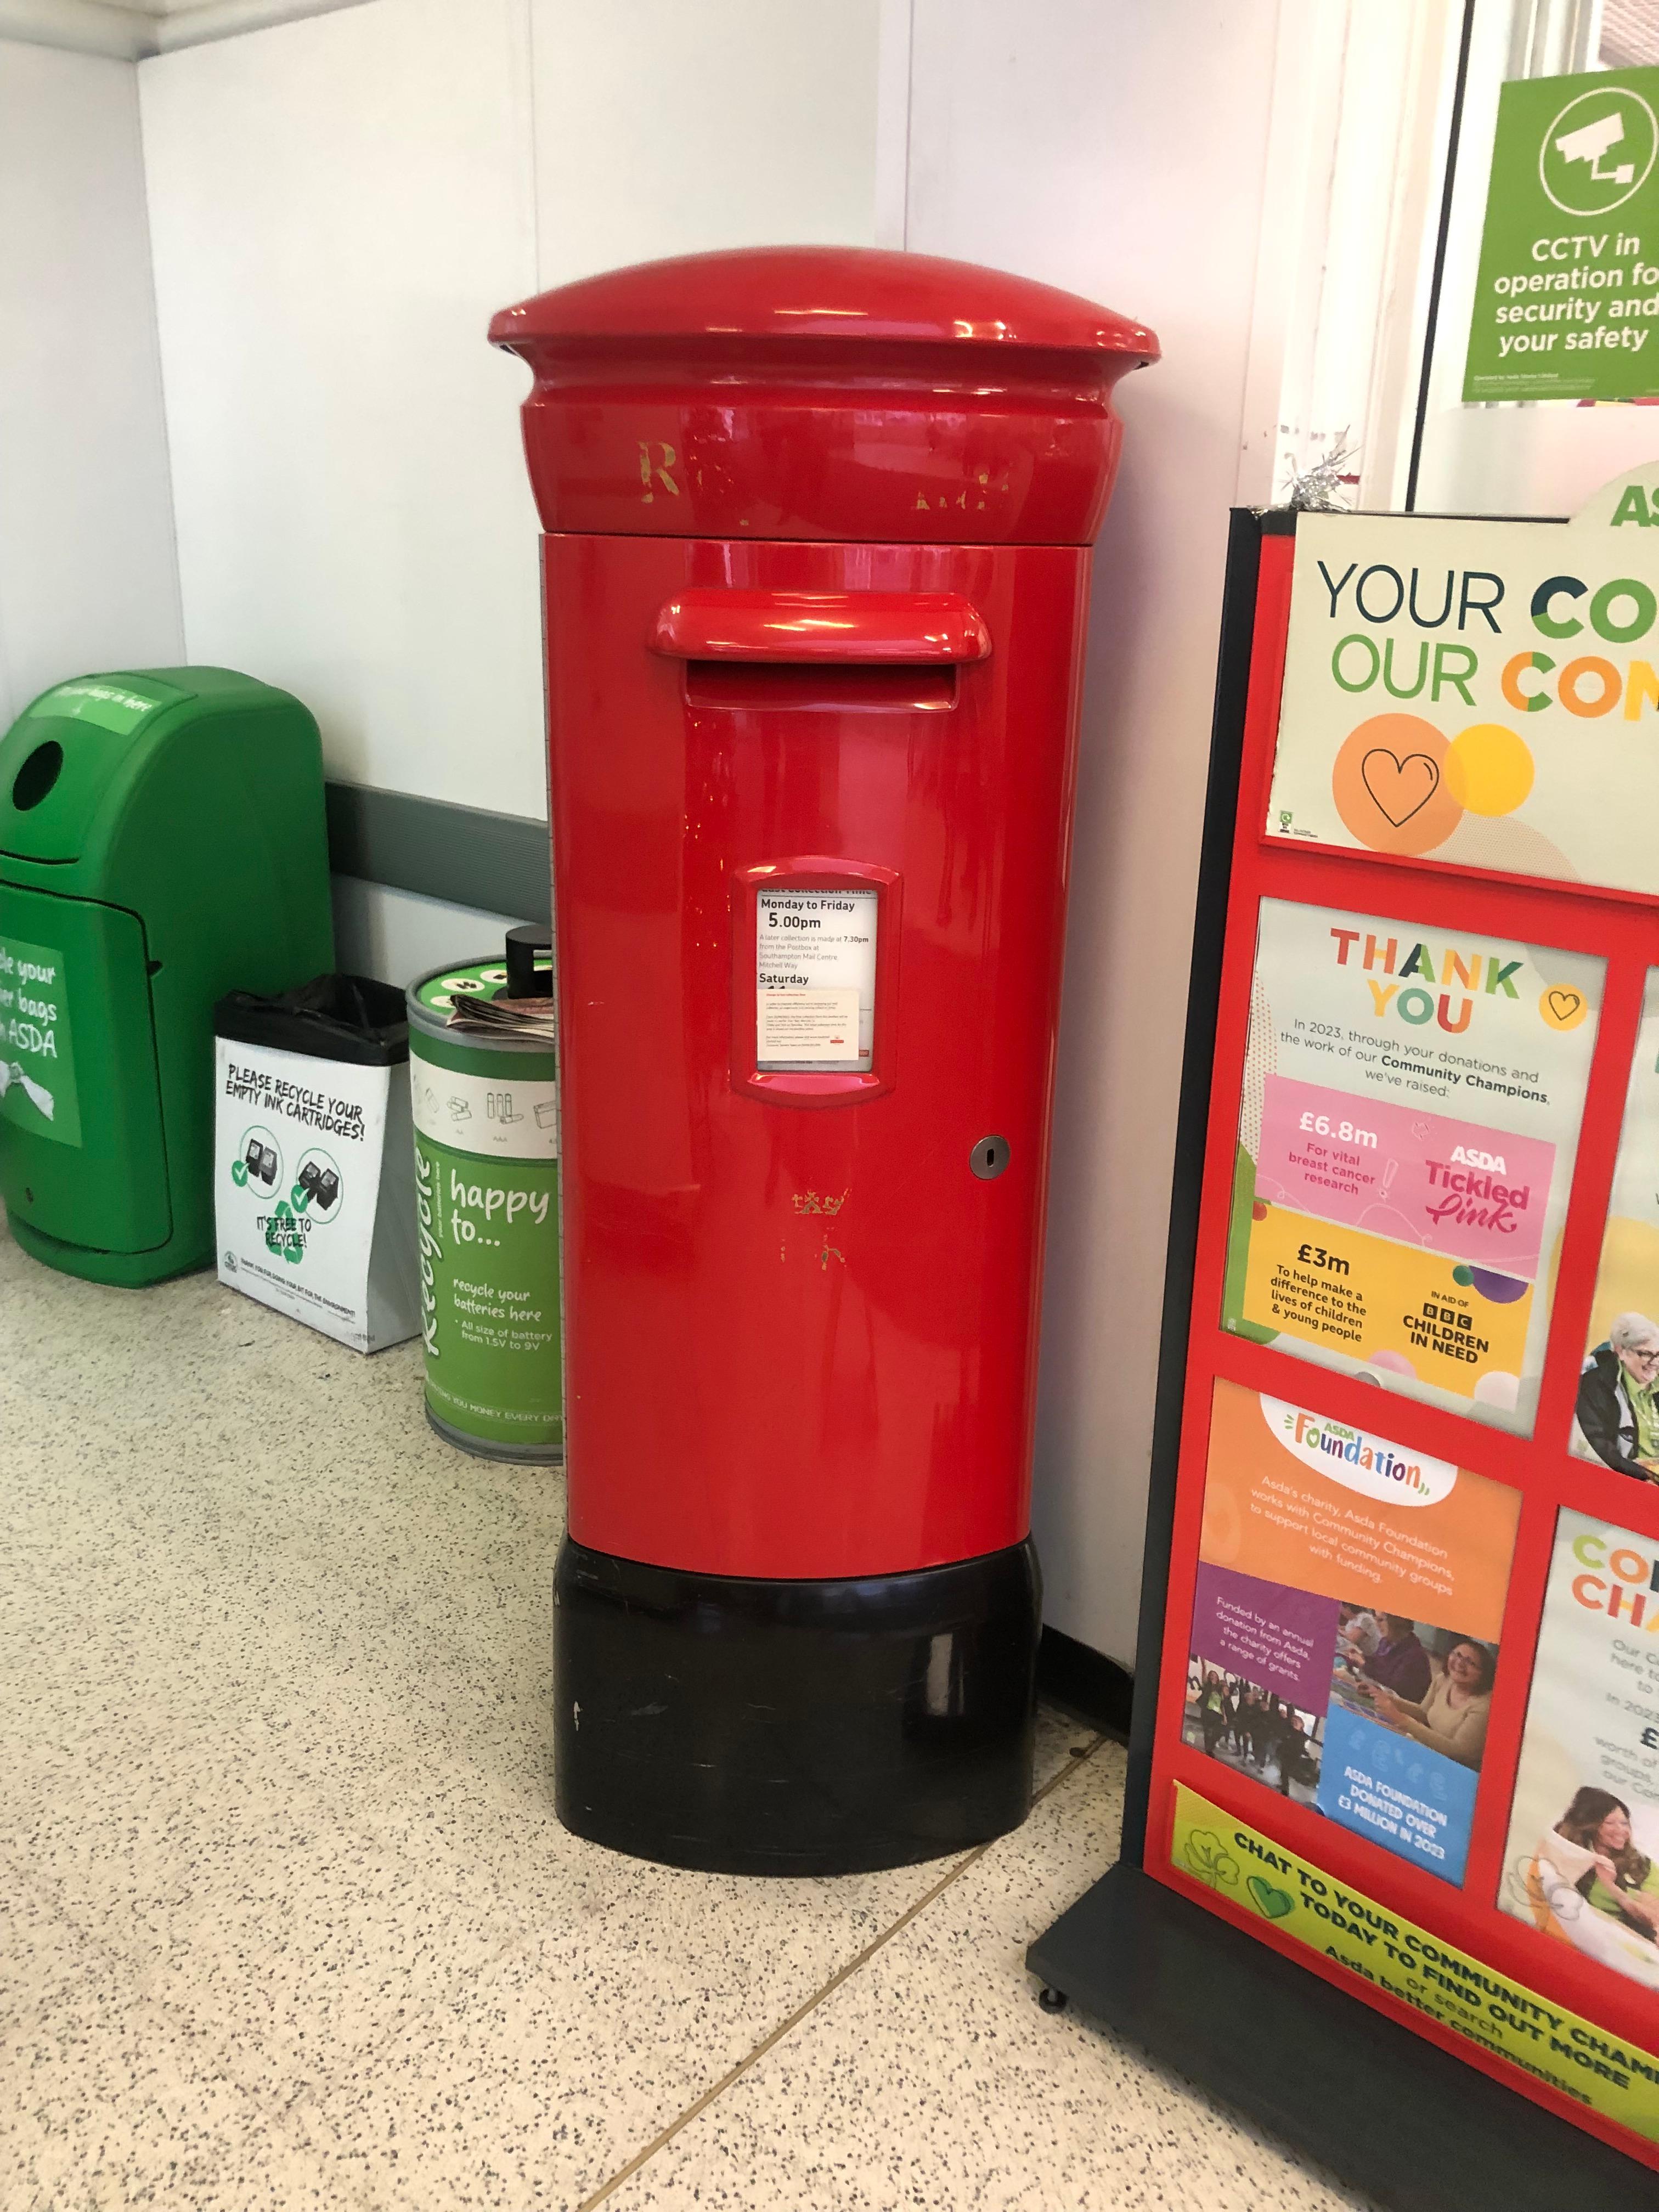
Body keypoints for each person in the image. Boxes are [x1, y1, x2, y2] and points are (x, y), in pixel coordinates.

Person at [1364, 1637, 1494, 1768]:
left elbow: (1458, 1752)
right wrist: (1382, 1696)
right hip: (1427, 1752)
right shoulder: (1443, 1680)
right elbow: (1423, 1712)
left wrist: (1401, 1720)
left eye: (1470, 1662)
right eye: (1457, 1655)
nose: (1459, 1663)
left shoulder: (1484, 1706)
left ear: (1483, 1675)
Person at [1554, 1788, 1659, 1938]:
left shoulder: (1644, 1868)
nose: (1621, 1830)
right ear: (1592, 1826)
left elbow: (1655, 1918)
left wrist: (1612, 1888)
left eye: (1624, 1823)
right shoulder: (1571, 1852)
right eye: (1610, 1823)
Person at [1576, 1313, 1659, 1479]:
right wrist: (1643, 1474)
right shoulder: (1595, 1387)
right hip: (1626, 1481)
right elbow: (1597, 1446)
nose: (1655, 1363)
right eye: (1646, 1354)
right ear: (1621, 1352)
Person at [1361, 1615, 1432, 1705]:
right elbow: (1377, 1663)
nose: (1377, 1624)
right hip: (1383, 1698)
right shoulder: (1386, 1642)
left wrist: (1364, 1664)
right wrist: (1362, 1657)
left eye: (1381, 1620)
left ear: (1396, 1623)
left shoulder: (1416, 1656)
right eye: (1376, 1619)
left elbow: (1393, 1687)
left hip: (1400, 1708)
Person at [1197, 1671, 1231, 1758]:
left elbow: (1222, 1704)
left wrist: (1225, 1717)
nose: (1212, 1676)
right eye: (1211, 1675)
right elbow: (1204, 1674)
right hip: (1207, 1712)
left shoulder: (1219, 1689)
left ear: (1217, 1677)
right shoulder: (1207, 1685)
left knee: (1218, 1732)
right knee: (1207, 1732)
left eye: (1214, 1675)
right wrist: (1203, 1663)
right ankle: (1209, 1750)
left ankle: (1211, 1746)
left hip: (1217, 1714)